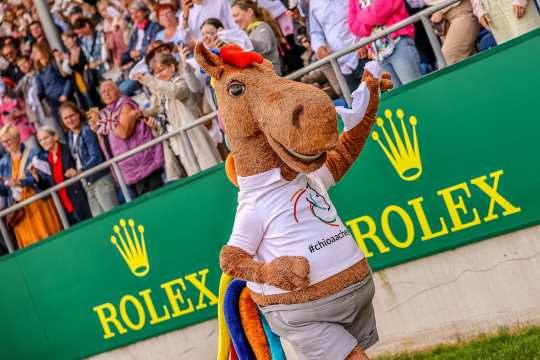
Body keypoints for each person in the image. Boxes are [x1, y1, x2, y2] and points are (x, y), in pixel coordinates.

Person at [135, 52, 221, 178]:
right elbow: (163, 116)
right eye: (156, 73)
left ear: (172, 67)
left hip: (194, 139)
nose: (159, 75)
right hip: (178, 144)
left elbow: (174, 91)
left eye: (161, 69)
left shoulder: (181, 82)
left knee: (211, 175)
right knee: (196, 180)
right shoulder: (161, 94)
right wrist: (148, 119)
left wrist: (148, 80)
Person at [91, 81, 164, 196]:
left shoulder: (125, 104)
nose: (106, 93)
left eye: (109, 89)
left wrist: (105, 122)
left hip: (143, 163)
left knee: (158, 198)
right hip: (126, 169)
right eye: (103, 92)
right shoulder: (106, 112)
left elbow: (123, 133)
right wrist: (98, 125)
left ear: (118, 91)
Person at [0, 124, 62, 249]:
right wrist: (6, 183)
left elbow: (45, 178)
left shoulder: (34, 153)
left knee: (52, 243)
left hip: (39, 205)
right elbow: (3, 191)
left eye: (8, 140)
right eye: (3, 142)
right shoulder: (3, 162)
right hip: (20, 213)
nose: (5, 144)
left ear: (17, 137)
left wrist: (21, 182)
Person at [59, 101, 118, 217]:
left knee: (114, 216)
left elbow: (96, 158)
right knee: (102, 221)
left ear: (78, 114)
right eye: (65, 118)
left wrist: (79, 171)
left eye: (71, 116)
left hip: (100, 179)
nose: (69, 120)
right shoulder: (70, 135)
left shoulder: (86, 130)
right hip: (87, 183)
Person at [348, 0, 422, 87]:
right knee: (399, 98)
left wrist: (360, 15)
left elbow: (377, 14)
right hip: (378, 56)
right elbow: (353, 26)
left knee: (415, 90)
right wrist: (370, 16)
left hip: (399, 44)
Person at [35, 126, 92, 225]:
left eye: (46, 138)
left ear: (55, 136)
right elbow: (48, 187)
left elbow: (79, 165)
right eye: (40, 140)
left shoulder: (67, 149)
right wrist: (36, 176)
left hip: (79, 199)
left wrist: (76, 171)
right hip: (65, 207)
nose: (43, 142)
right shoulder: (46, 160)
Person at [309, 0, 368, 91]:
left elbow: (364, 10)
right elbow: (315, 32)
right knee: (359, 104)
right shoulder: (313, 3)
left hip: (362, 54)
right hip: (341, 65)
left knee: (382, 98)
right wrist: (319, 47)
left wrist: (364, 41)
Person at [119, 1, 161, 95]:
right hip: (134, 65)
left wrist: (139, 52)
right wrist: (122, 60)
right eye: (132, 14)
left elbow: (155, 45)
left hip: (147, 64)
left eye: (137, 12)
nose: (134, 16)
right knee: (115, 85)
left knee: (120, 91)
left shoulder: (154, 26)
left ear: (145, 12)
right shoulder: (135, 31)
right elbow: (128, 52)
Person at [231, 0, 283, 75]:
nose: (235, 21)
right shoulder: (248, 32)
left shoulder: (261, 26)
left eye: (236, 15)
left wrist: (242, 40)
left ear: (249, 12)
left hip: (273, 79)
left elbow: (265, 46)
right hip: (261, 79)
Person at [427, 0, 481, 65]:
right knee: (468, 62)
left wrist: (440, 10)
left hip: (459, 7)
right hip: (440, 17)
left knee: (447, 61)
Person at [33, 42, 73, 122]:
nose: (34, 54)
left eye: (36, 51)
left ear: (42, 50)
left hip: (65, 99)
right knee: (62, 127)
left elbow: (68, 79)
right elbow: (40, 91)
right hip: (53, 104)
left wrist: (65, 94)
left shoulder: (54, 62)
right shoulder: (38, 71)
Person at [61, 31, 102, 110]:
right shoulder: (67, 56)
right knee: (90, 108)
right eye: (64, 41)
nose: (66, 43)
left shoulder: (84, 48)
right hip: (80, 86)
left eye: (67, 39)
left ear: (74, 38)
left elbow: (92, 61)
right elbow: (65, 73)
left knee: (98, 104)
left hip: (90, 82)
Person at [472, 0, 540, 43]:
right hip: (489, 6)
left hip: (514, 3)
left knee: (532, 43)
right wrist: (478, 8)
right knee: (511, 53)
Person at [96, 0, 127, 68]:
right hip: (116, 62)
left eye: (106, 8)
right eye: (102, 10)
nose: (105, 12)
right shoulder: (103, 27)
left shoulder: (120, 20)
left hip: (127, 57)